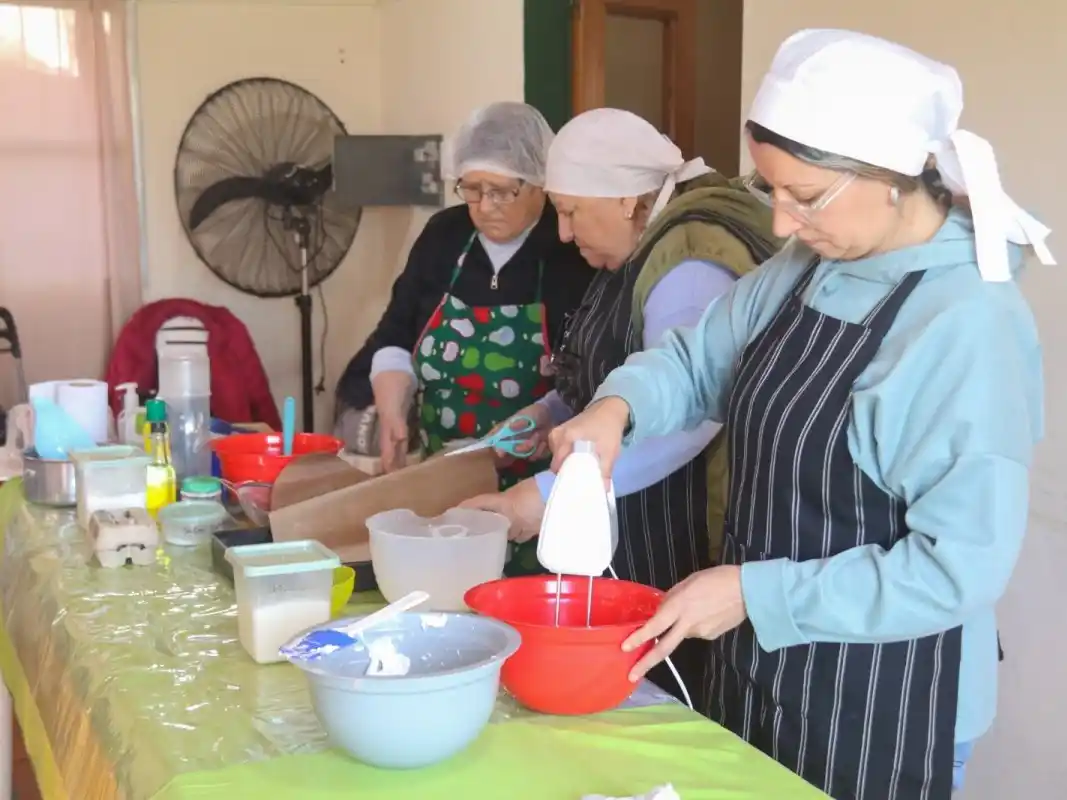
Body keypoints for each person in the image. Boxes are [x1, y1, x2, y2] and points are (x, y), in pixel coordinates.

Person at [547, 29, 1053, 800]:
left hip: (885, 699)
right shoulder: (809, 266)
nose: (781, 225)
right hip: (763, 668)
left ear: (889, 177)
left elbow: (958, 567)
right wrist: (615, 408)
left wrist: (754, 593)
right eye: (770, 191)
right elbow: (694, 360)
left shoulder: (966, 324)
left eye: (805, 197)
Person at [462, 108, 779, 706]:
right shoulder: (640, 245)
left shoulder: (690, 261)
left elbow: (689, 417)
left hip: (677, 534)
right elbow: (617, 364)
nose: (561, 231)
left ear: (629, 200)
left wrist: (545, 496)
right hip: (632, 517)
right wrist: (552, 413)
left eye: (571, 210)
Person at [334, 102, 593, 573]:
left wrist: (540, 423)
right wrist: (392, 407)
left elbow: (590, 376)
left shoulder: (569, 251)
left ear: (538, 182)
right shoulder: (444, 236)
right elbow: (395, 332)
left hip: (533, 495)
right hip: (443, 481)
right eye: (472, 190)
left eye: (502, 191)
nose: (485, 207)